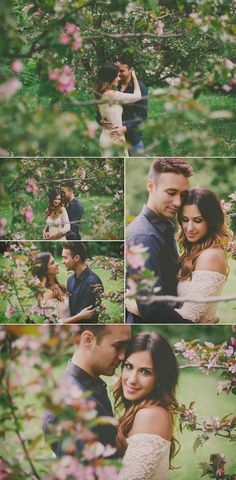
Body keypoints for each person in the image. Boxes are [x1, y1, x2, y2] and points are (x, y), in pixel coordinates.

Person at [42, 325, 131, 457]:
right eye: (118, 347)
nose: (123, 356)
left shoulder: (86, 387)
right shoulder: (73, 408)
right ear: (88, 340)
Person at [126, 157, 193, 324]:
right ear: (150, 186)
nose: (178, 202)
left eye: (182, 195)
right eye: (171, 193)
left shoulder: (162, 227)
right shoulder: (144, 237)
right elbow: (151, 306)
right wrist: (192, 325)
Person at [113, 332, 179, 480]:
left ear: (160, 379)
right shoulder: (143, 409)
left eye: (145, 372)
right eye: (129, 366)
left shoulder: (150, 415)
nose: (131, 380)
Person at [175, 187, 232, 322]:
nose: (189, 228)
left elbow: (189, 316)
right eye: (185, 219)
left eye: (198, 220)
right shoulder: (197, 251)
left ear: (211, 221)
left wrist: (143, 309)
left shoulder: (210, 256)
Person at [97, 54, 148, 156]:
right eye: (117, 71)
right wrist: (100, 120)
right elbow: (101, 111)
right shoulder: (114, 86)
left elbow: (142, 115)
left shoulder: (140, 88)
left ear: (131, 70)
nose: (119, 75)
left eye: (122, 71)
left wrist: (125, 128)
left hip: (132, 140)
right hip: (113, 139)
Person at [33, 252, 95, 323]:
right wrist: (80, 316)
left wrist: (82, 267)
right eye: (52, 263)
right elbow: (54, 323)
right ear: (45, 269)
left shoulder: (59, 285)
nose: (57, 263)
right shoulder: (47, 294)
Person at [62, 242, 104, 323]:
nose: (63, 261)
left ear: (77, 258)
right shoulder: (70, 280)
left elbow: (86, 317)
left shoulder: (93, 283)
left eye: (65, 258)